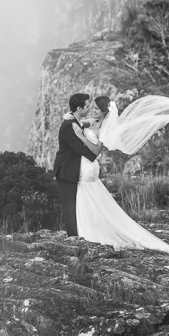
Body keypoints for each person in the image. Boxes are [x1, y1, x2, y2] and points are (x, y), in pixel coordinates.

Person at [64, 95, 169, 273]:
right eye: (86, 106)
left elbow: (95, 146)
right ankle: (91, 229)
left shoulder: (102, 125)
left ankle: (89, 231)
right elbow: (85, 122)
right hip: (90, 168)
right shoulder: (101, 120)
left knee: (86, 197)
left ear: (100, 109)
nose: (90, 110)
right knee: (92, 198)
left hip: (88, 166)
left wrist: (81, 135)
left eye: (92, 107)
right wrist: (70, 118)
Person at [53, 93, 104, 237]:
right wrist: (95, 154)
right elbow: (80, 149)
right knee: (70, 206)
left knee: (77, 205)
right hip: (65, 171)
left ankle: (81, 233)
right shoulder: (69, 126)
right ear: (79, 108)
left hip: (74, 169)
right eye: (87, 106)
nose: (88, 108)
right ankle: (73, 237)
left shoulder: (75, 120)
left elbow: (86, 123)